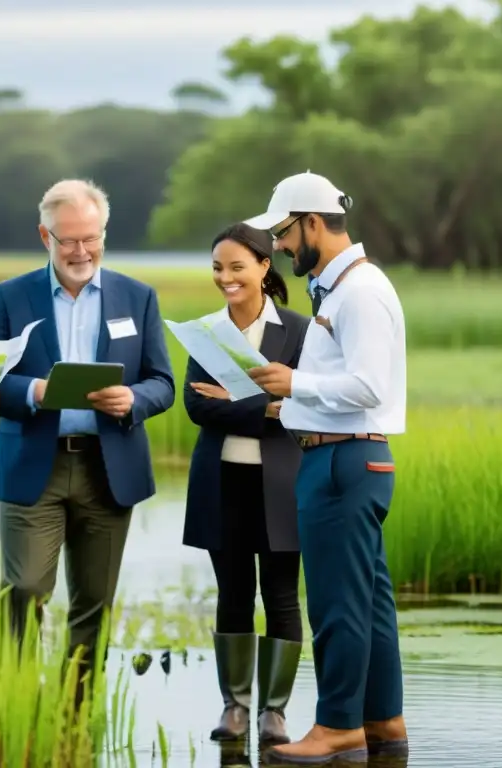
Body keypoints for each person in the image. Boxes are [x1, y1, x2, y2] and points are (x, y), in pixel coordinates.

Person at [0, 178, 175, 710]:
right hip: (31, 466)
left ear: (103, 234)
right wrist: (34, 391)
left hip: (108, 469)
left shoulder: (138, 297)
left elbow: (163, 382)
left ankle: (76, 714)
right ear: (45, 235)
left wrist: (132, 400)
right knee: (24, 590)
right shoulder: (9, 297)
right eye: (68, 240)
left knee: (94, 603)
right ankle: (17, 704)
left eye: (91, 238)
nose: (81, 251)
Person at [242, 171, 409, 764]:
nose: (279, 247)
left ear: (313, 223)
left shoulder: (358, 292)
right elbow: (344, 387)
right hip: (348, 455)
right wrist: (288, 402)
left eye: (284, 233)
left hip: (342, 461)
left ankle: (338, 727)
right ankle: (382, 721)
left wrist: (296, 381)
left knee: (338, 604)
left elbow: (368, 386)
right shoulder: (338, 289)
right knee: (368, 603)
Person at [182, 223, 309, 747]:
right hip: (221, 480)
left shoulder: (299, 332)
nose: (226, 277)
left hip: (282, 483)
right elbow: (195, 405)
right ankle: (235, 706)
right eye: (217, 268)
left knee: (281, 596)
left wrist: (236, 403)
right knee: (233, 593)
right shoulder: (206, 331)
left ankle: (274, 713)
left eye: (236, 267)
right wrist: (267, 407)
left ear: (263, 267)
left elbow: (307, 407)